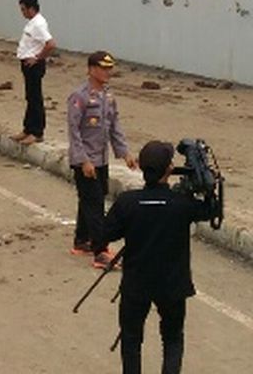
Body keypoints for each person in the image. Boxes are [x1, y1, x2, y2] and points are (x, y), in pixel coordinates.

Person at [103, 140, 220, 374]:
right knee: (173, 339)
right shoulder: (182, 204)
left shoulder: (128, 202)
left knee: (131, 339)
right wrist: (207, 184)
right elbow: (212, 210)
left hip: (136, 285)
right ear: (169, 170)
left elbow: (104, 235)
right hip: (173, 286)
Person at [68, 51, 137, 268]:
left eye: (110, 68)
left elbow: (114, 127)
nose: (108, 72)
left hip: (101, 159)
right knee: (95, 204)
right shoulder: (79, 96)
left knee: (91, 199)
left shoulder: (108, 96)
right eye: (103, 68)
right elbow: (74, 132)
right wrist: (83, 161)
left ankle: (82, 241)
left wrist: (125, 153)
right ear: (91, 69)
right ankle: (100, 250)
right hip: (86, 161)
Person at [13, 0, 56, 145]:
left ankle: (37, 131)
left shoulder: (38, 24)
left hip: (34, 65)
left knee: (35, 98)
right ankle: (28, 128)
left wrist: (38, 58)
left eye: (24, 9)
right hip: (27, 64)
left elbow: (51, 44)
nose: (22, 12)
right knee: (30, 97)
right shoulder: (32, 23)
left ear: (31, 8)